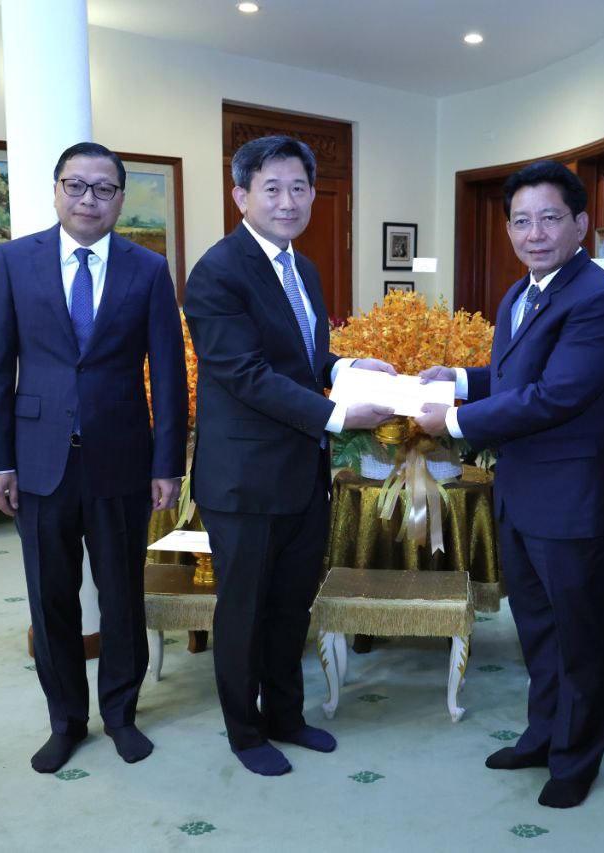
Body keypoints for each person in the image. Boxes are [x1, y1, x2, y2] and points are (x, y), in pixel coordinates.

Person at [415, 160, 604, 809]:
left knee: (579, 635)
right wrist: (458, 380)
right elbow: (517, 376)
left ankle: (577, 758)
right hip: (521, 491)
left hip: (575, 500)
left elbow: (557, 393)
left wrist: (454, 421)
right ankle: (544, 734)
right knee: (538, 628)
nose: (534, 233)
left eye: (548, 218)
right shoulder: (522, 292)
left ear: (580, 224)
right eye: (521, 221)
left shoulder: (598, 298)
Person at [182, 135, 395, 777]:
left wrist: (348, 367)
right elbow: (245, 373)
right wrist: (340, 415)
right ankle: (245, 734)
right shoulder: (217, 272)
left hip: (302, 472)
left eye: (299, 187)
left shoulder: (303, 268)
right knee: (244, 612)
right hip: (244, 480)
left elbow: (303, 360)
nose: (288, 201)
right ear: (240, 195)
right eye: (271, 188)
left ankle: (286, 716)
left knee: (290, 606)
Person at [0, 141, 188, 773]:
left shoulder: (148, 269)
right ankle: (66, 720)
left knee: (122, 596)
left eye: (103, 189)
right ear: (56, 191)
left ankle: (121, 714)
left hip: (121, 460)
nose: (88, 199)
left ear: (119, 199)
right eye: (76, 185)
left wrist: (167, 464)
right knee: (51, 599)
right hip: (38, 462)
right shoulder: (15, 261)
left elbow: (169, 375)